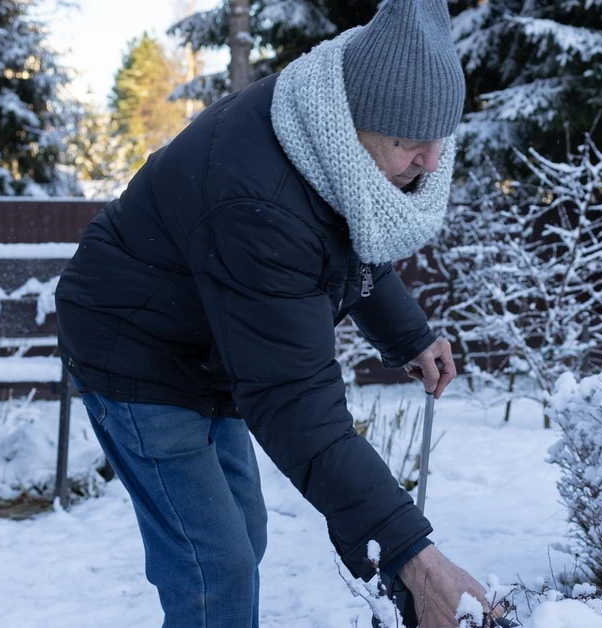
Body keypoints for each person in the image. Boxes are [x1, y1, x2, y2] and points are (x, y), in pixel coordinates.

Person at [55, 0, 498, 626]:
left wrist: (410, 336)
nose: (430, 161)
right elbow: (296, 403)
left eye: (438, 140)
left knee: (243, 536)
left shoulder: (331, 138)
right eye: (409, 143)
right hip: (133, 346)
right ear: (359, 124)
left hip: (208, 341)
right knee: (216, 565)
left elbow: (349, 243)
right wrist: (413, 555)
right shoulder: (261, 200)